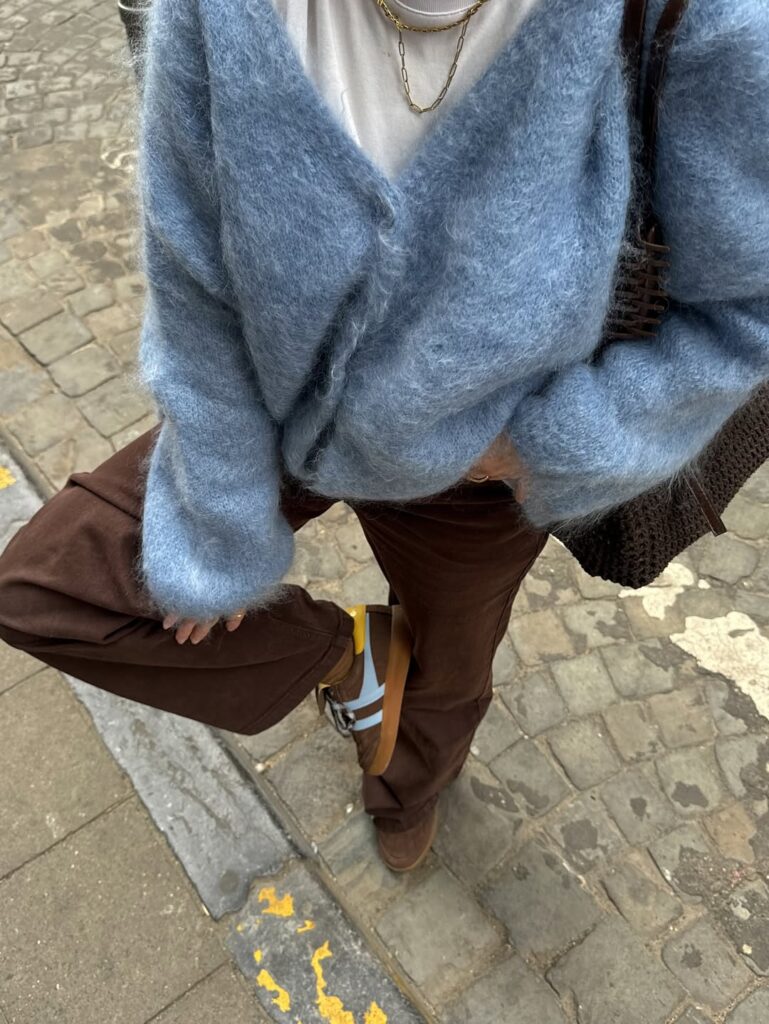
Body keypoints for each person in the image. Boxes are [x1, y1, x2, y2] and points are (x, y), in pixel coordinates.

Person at [1, 0, 768, 873]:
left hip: (476, 484)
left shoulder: (707, 20)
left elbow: (743, 317)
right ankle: (354, 658)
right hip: (273, 421)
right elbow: (193, 276)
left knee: (446, 673)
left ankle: (406, 787)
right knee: (47, 586)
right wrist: (216, 532)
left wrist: (540, 448)